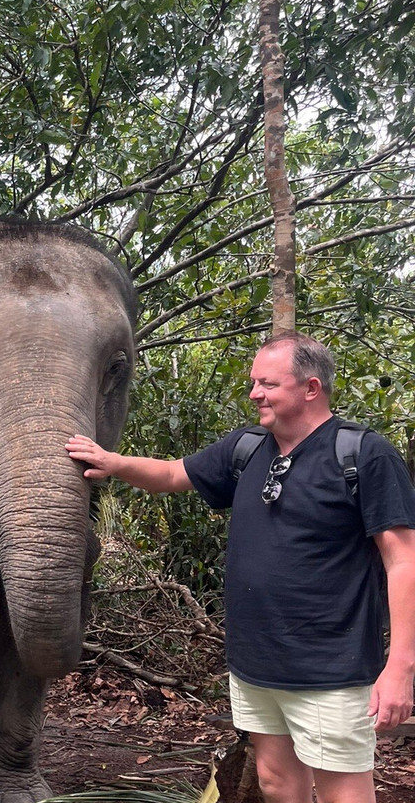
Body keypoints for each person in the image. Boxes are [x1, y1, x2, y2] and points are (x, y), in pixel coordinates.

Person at [65, 332, 415, 803]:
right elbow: (172, 474)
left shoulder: (363, 454)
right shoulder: (248, 448)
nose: (254, 393)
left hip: (332, 667)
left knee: (343, 794)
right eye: (254, 382)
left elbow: (403, 560)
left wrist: (400, 668)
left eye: (267, 383)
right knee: (276, 782)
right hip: (256, 661)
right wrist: (113, 462)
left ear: (311, 389)